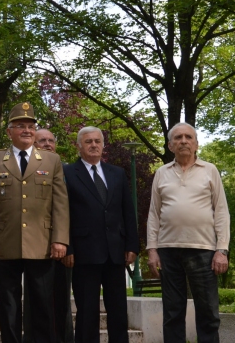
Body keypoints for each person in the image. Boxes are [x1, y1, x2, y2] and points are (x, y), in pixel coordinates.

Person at [0, 102, 70, 343]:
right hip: (5, 243)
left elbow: (60, 204)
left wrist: (60, 239)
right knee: (8, 306)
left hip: (42, 245)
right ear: (9, 131)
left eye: (31, 126)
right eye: (20, 126)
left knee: (42, 304)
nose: (27, 130)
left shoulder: (51, 161)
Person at [147, 122, 230, 343]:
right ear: (170, 145)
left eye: (188, 137)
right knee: (172, 313)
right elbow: (154, 214)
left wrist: (222, 249)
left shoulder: (210, 170)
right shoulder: (161, 173)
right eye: (178, 138)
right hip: (168, 251)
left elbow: (221, 211)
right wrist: (152, 249)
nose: (183, 141)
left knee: (208, 313)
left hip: (203, 250)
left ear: (196, 144)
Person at [62, 127, 139, 343]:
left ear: (103, 145)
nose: (93, 145)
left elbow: (127, 211)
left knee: (118, 311)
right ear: (79, 146)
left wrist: (132, 245)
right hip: (84, 254)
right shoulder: (67, 173)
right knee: (87, 313)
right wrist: (67, 247)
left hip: (116, 253)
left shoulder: (117, 173)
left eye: (97, 141)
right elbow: (62, 213)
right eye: (88, 142)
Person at [31, 128, 74, 343]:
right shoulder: (26, 172)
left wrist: (68, 245)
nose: (48, 144)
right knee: (36, 303)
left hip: (62, 249)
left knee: (61, 303)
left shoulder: (69, 173)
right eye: (42, 141)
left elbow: (72, 213)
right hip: (34, 248)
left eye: (51, 140)